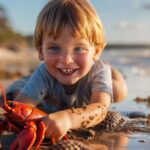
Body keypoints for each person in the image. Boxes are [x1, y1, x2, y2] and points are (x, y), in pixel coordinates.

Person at [13, 0, 127, 141]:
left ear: (96, 52)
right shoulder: (44, 72)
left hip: (99, 80)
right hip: (48, 79)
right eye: (54, 48)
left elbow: (101, 109)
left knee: (118, 92)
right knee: (15, 89)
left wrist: (68, 118)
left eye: (79, 49)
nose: (66, 60)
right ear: (41, 51)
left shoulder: (97, 71)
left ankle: (112, 71)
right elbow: (21, 108)